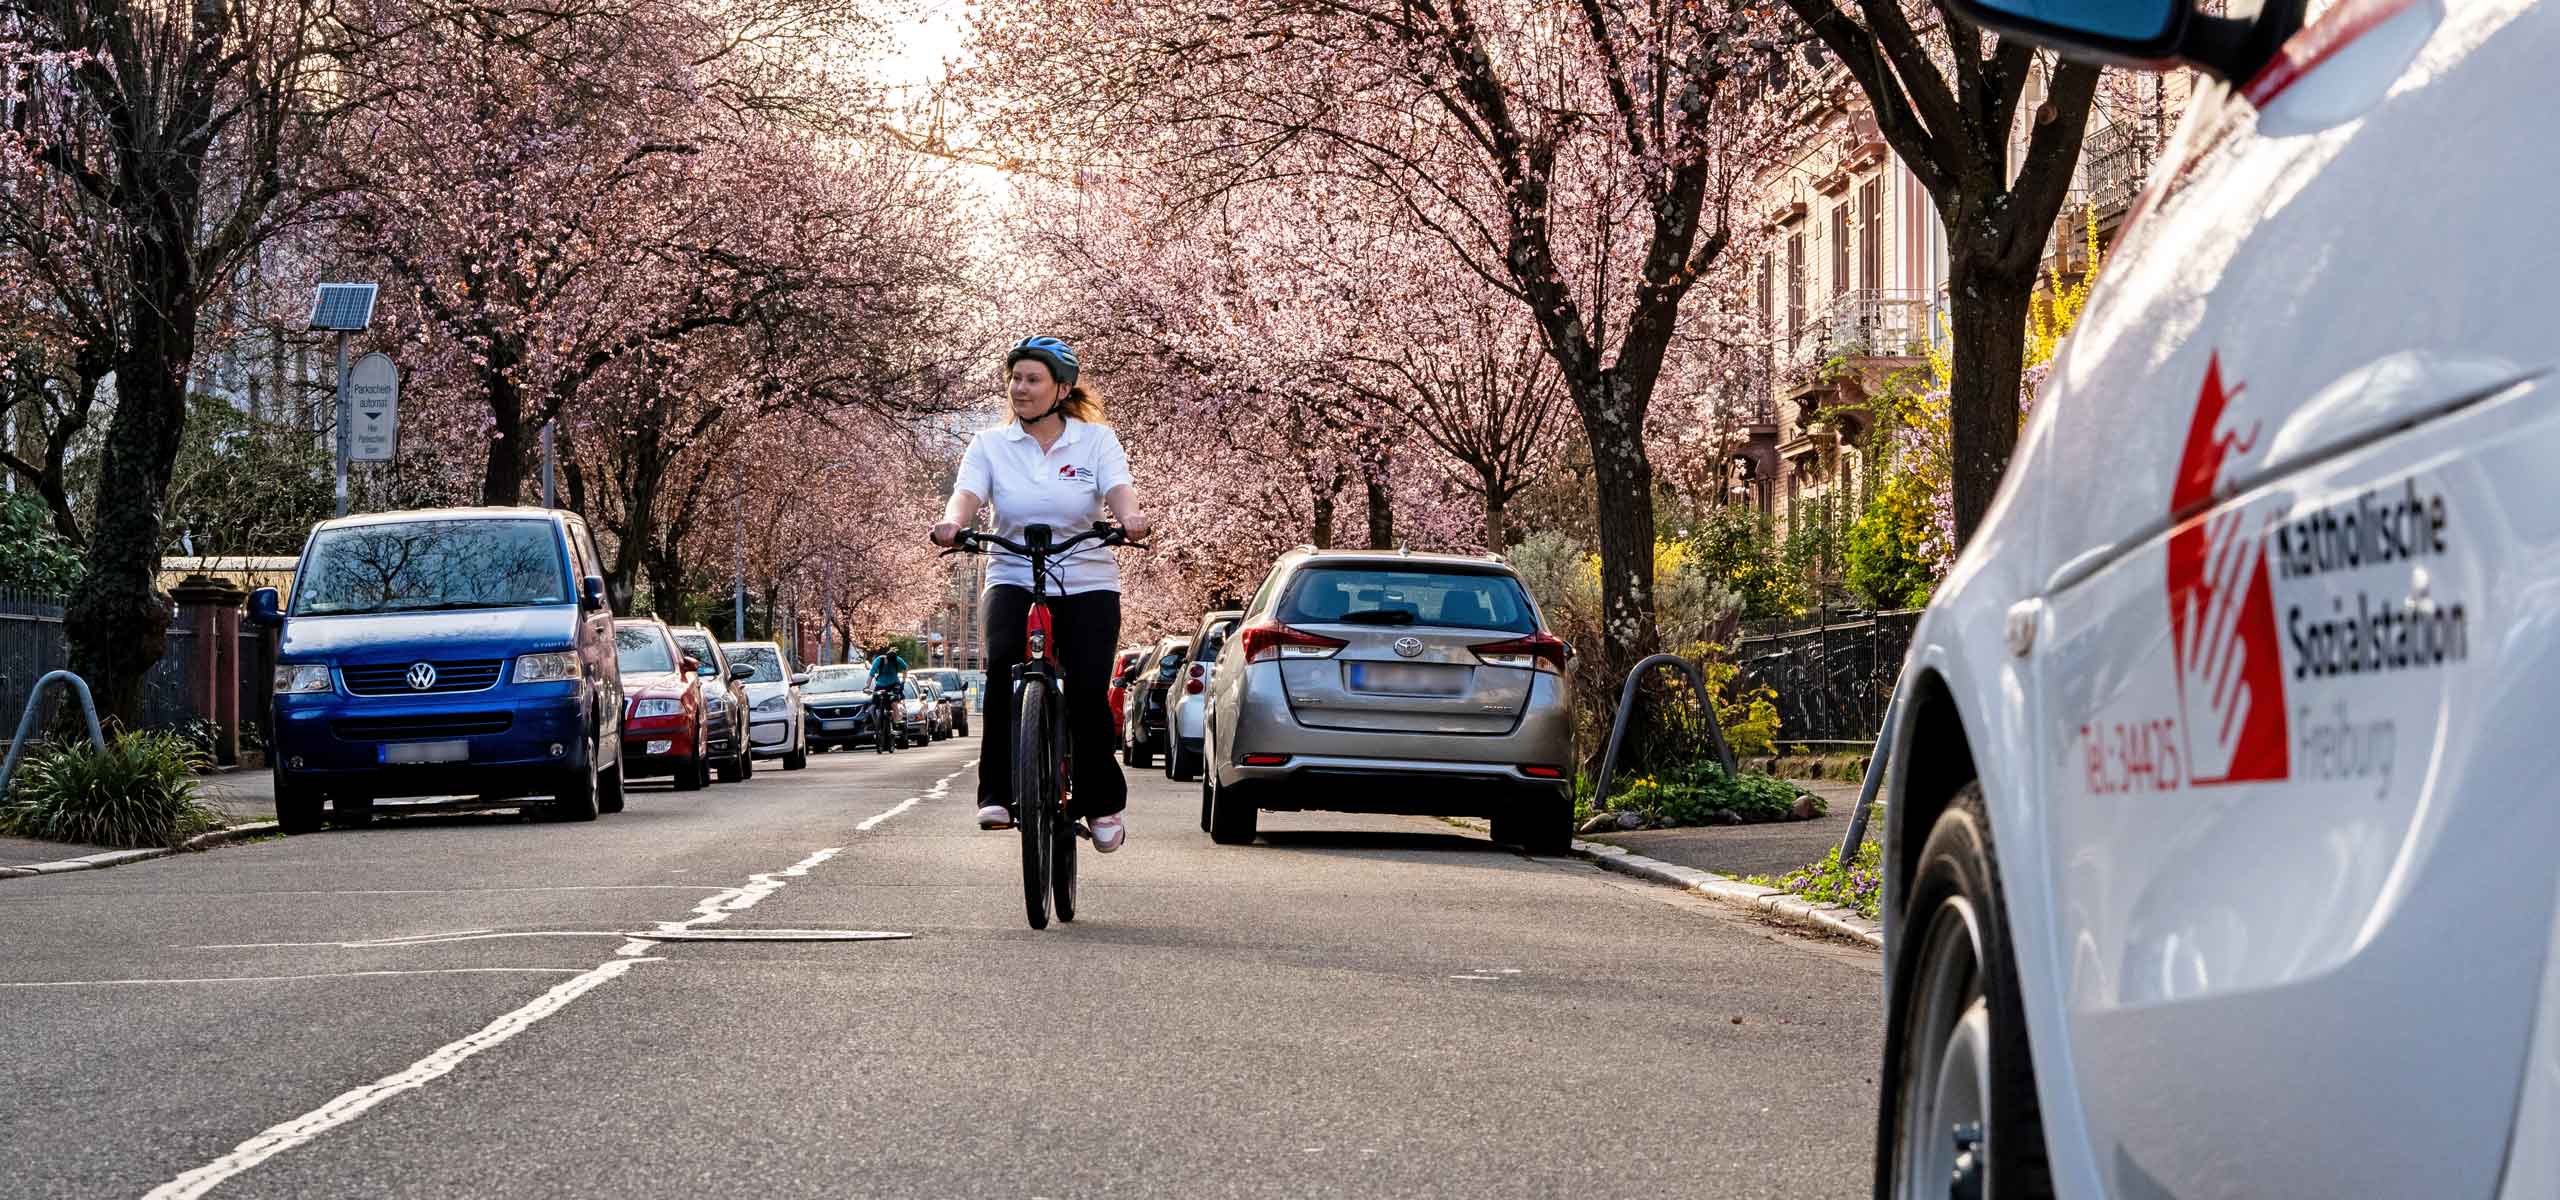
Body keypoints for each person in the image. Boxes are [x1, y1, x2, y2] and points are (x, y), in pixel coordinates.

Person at [931, 336, 1152, 852]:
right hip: (1012, 571)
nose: (1020, 388)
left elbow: (1118, 489)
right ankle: (998, 793)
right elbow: (967, 493)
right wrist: (952, 523)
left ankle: (1101, 801)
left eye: (1033, 379)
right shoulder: (990, 444)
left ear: (1062, 389)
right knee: (1001, 669)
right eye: (1015, 378)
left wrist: (1130, 517)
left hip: (1086, 577)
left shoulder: (1095, 441)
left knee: (1087, 690)